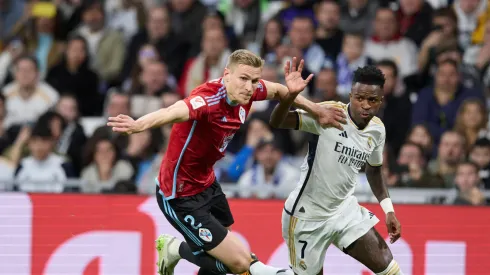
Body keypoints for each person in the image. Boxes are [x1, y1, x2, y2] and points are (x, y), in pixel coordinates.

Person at [107, 50, 346, 275]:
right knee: (240, 263)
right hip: (178, 195)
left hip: (207, 183)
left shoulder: (250, 91)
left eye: (254, 81)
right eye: (243, 79)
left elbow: (281, 91)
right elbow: (173, 111)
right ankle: (173, 249)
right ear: (226, 75)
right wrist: (139, 125)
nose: (249, 87)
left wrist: (316, 110)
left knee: (221, 256)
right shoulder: (208, 102)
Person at [269, 65, 403, 275]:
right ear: (351, 95)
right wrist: (291, 96)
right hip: (307, 216)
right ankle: (254, 269)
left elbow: (374, 170)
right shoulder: (328, 113)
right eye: (359, 98)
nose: (365, 105)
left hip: (343, 210)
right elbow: (277, 121)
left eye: (372, 100)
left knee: (390, 269)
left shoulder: (377, 130)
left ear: (380, 101)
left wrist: (389, 210)